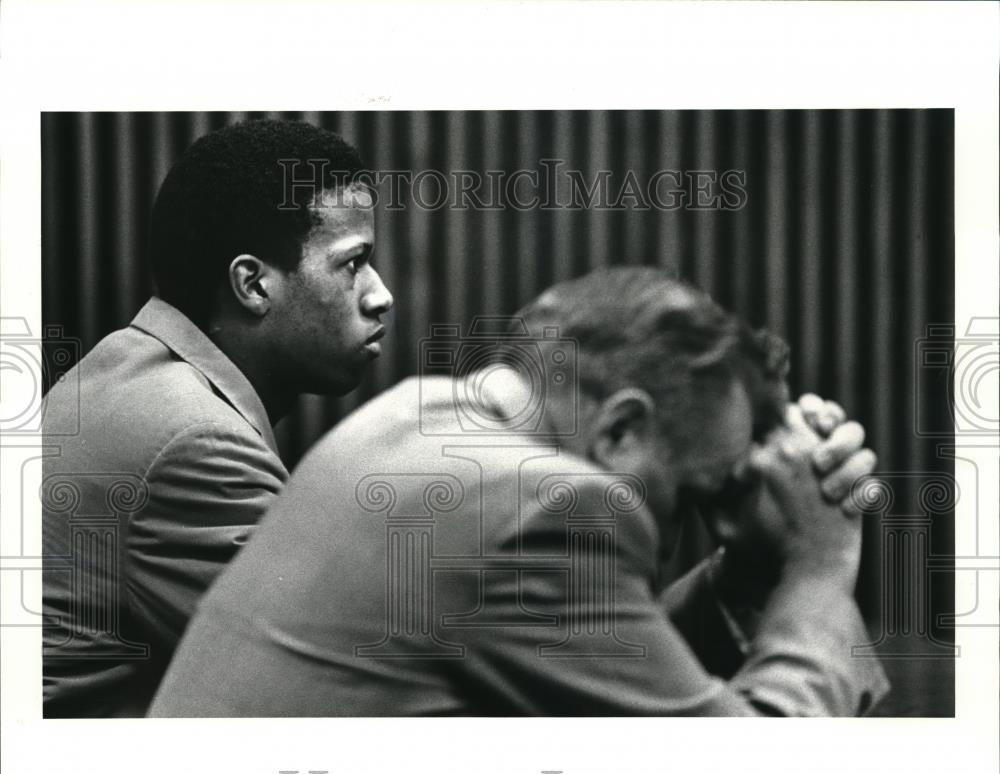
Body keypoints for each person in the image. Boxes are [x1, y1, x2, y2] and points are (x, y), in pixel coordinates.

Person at [149, 268, 888, 717]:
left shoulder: (419, 413)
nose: (681, 518)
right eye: (691, 494)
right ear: (623, 429)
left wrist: (747, 568)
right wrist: (818, 564)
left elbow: (598, 665)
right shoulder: (543, 504)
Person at [42, 120, 394, 717]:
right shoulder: (197, 443)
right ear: (252, 284)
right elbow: (346, 688)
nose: (379, 294)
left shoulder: (124, 368)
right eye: (353, 263)